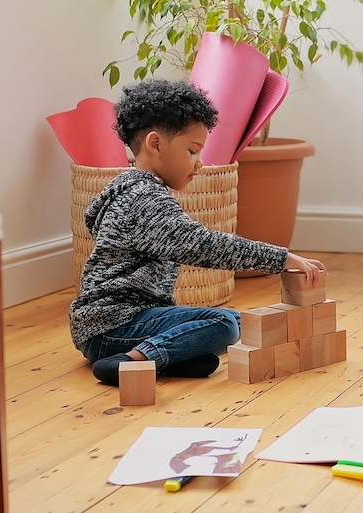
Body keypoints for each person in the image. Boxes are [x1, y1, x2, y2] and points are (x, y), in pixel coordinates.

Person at [69, 79, 325, 387]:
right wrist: (281, 258)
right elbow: (204, 245)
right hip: (113, 326)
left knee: (222, 341)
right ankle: (133, 361)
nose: (200, 163)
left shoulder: (130, 191)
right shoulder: (143, 199)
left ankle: (165, 356)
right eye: (192, 150)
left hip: (116, 322)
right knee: (225, 323)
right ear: (156, 144)